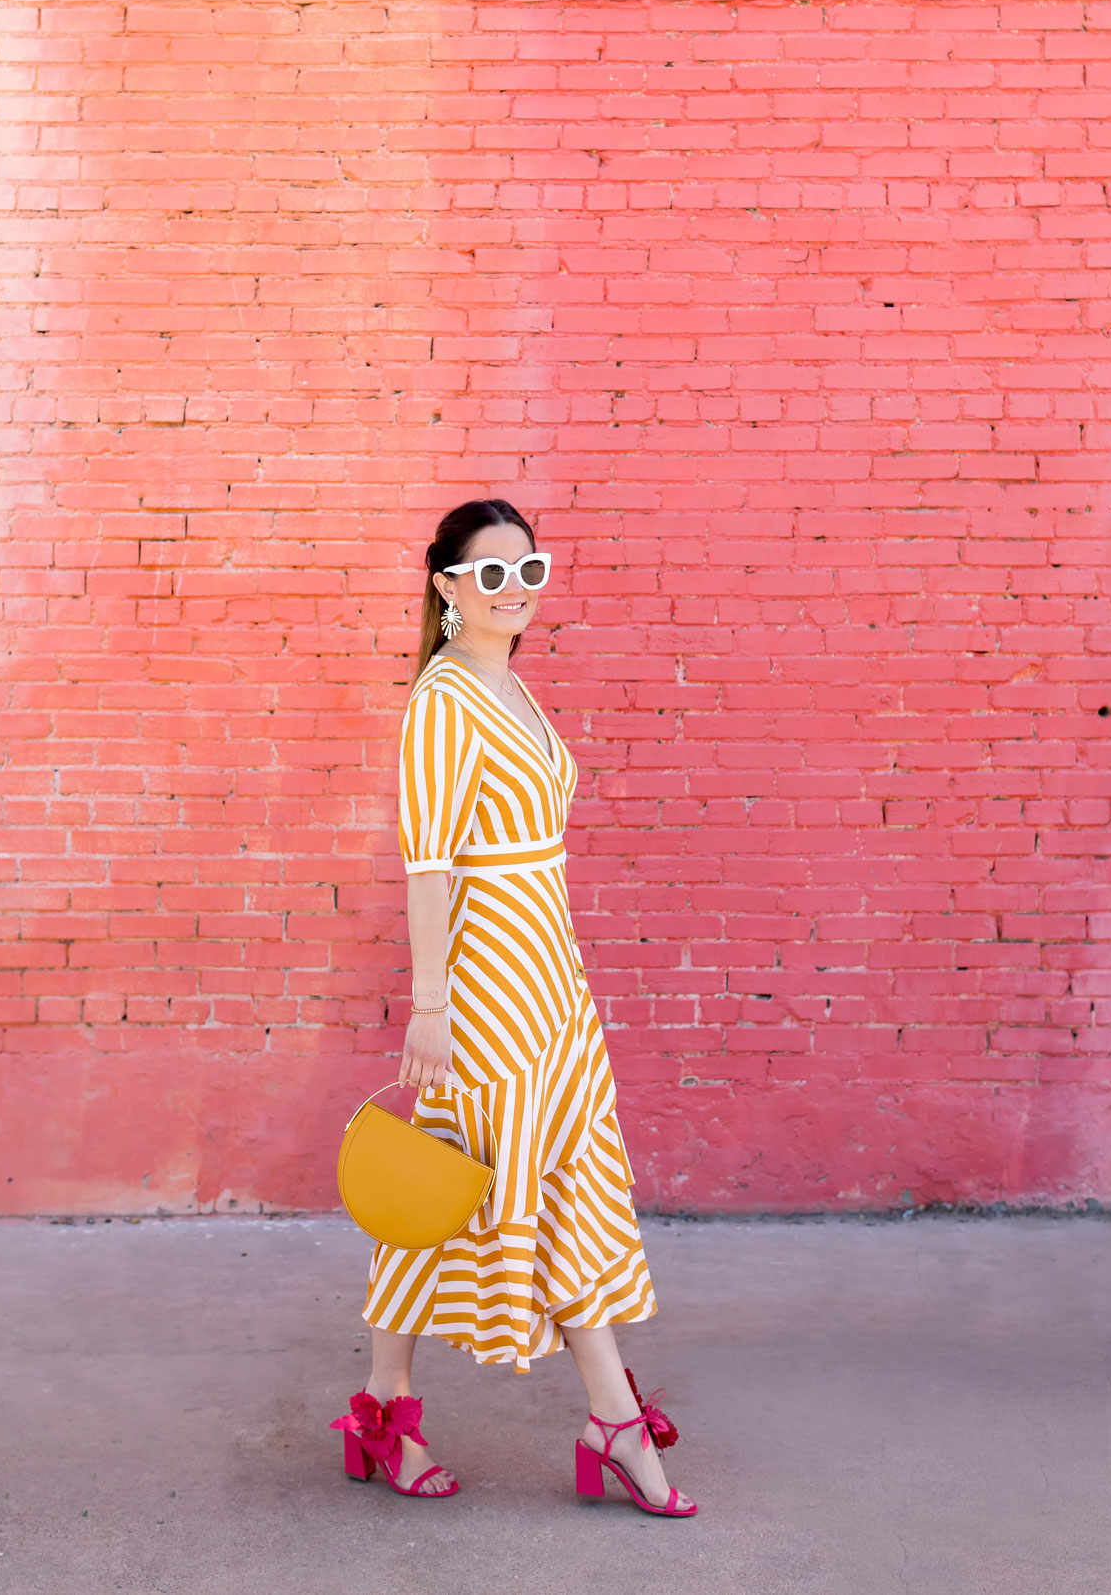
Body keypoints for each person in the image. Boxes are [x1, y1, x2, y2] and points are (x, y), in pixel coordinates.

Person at [335, 498, 695, 1518]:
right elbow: (428, 864)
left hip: (550, 979)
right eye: (490, 577)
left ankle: (410, 1408)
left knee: (530, 1186)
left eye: (527, 573)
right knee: (472, 1194)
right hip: (488, 991)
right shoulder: (444, 701)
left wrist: (561, 979)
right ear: (446, 587)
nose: (513, 593)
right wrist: (431, 1004)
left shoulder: (511, 685)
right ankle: (596, 1420)